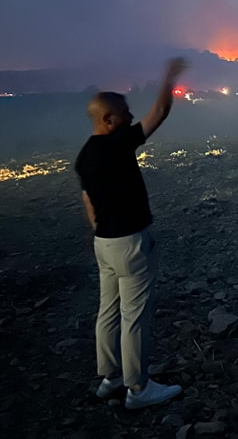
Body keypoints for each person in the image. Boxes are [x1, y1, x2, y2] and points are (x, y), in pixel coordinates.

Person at [74, 58, 187, 410]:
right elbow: (160, 112)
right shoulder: (117, 145)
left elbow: (88, 200)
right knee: (134, 316)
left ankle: (111, 378)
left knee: (108, 310)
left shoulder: (85, 155)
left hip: (104, 243)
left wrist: (100, 230)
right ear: (108, 120)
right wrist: (168, 78)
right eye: (124, 112)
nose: (130, 115)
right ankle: (138, 388)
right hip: (130, 242)